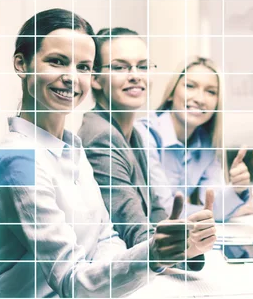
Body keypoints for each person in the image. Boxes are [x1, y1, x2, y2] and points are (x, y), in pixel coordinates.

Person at [0, 9, 190, 299]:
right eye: (57, 61)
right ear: (21, 64)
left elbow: (106, 237)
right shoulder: (18, 162)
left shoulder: (70, 148)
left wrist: (110, 263)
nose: (72, 77)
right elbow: (73, 281)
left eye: (83, 66)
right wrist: (153, 255)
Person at [78, 28, 216, 270]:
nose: (135, 76)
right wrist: (184, 248)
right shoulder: (101, 136)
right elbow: (133, 229)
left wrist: (189, 246)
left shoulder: (133, 135)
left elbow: (155, 211)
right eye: (120, 67)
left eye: (142, 66)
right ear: (95, 78)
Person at [135, 57, 250, 222]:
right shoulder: (145, 135)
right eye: (190, 86)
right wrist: (220, 212)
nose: (200, 99)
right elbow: (165, 211)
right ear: (171, 93)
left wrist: (238, 189)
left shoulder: (206, 143)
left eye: (211, 92)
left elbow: (213, 206)